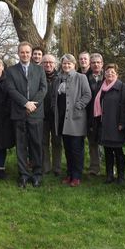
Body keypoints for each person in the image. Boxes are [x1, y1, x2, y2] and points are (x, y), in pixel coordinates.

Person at [5, 42, 47, 188]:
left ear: (31, 53)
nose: (25, 55)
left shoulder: (39, 70)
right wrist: (25, 103)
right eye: (22, 52)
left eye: (27, 52)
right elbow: (11, 90)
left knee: (36, 144)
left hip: (36, 114)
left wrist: (33, 105)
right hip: (19, 113)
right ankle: (23, 174)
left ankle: (37, 174)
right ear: (18, 53)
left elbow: (43, 89)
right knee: (21, 145)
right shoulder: (11, 71)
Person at [52, 54, 91, 187]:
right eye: (64, 64)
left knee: (76, 149)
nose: (66, 66)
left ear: (74, 65)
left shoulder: (81, 77)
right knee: (67, 149)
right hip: (63, 120)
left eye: (69, 63)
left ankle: (76, 176)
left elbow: (87, 95)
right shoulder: (58, 79)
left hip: (76, 120)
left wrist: (78, 106)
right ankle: (69, 174)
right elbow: (55, 97)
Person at [93, 64, 125, 184]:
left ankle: (121, 177)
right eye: (107, 72)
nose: (109, 74)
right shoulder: (101, 88)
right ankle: (109, 176)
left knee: (118, 152)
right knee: (108, 151)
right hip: (104, 124)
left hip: (117, 125)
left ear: (117, 74)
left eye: (112, 72)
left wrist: (123, 123)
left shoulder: (123, 87)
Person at [41, 54, 62, 176]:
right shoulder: (39, 76)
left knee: (57, 142)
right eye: (45, 62)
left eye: (50, 62)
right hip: (42, 115)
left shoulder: (60, 77)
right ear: (42, 64)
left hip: (56, 116)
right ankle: (46, 167)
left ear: (55, 64)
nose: (48, 65)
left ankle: (57, 168)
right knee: (43, 142)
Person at [86, 53, 104, 175]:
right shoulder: (85, 77)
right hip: (90, 114)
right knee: (92, 142)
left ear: (102, 64)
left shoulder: (108, 76)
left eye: (98, 62)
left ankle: (110, 168)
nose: (96, 64)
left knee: (107, 142)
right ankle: (94, 167)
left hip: (105, 115)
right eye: (93, 62)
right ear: (90, 64)